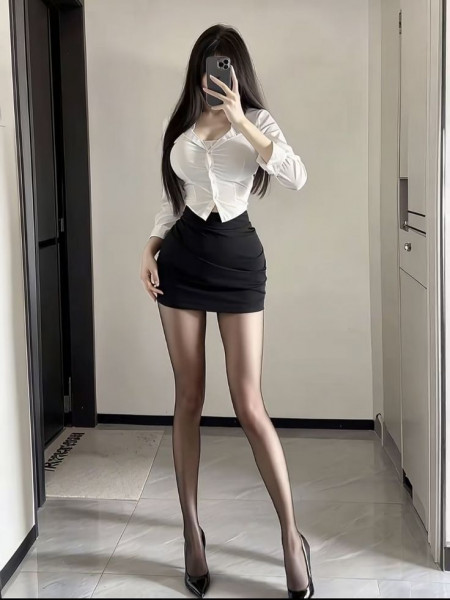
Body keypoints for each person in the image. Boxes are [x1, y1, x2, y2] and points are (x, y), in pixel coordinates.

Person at [139, 24, 312, 599]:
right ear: (198, 71)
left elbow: (295, 175)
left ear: (237, 72)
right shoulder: (183, 125)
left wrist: (241, 120)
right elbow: (174, 198)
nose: (214, 78)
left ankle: (290, 538)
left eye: (224, 68)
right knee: (188, 398)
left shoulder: (257, 121)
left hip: (238, 263)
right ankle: (192, 532)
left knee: (249, 404)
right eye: (207, 67)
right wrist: (149, 247)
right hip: (182, 261)